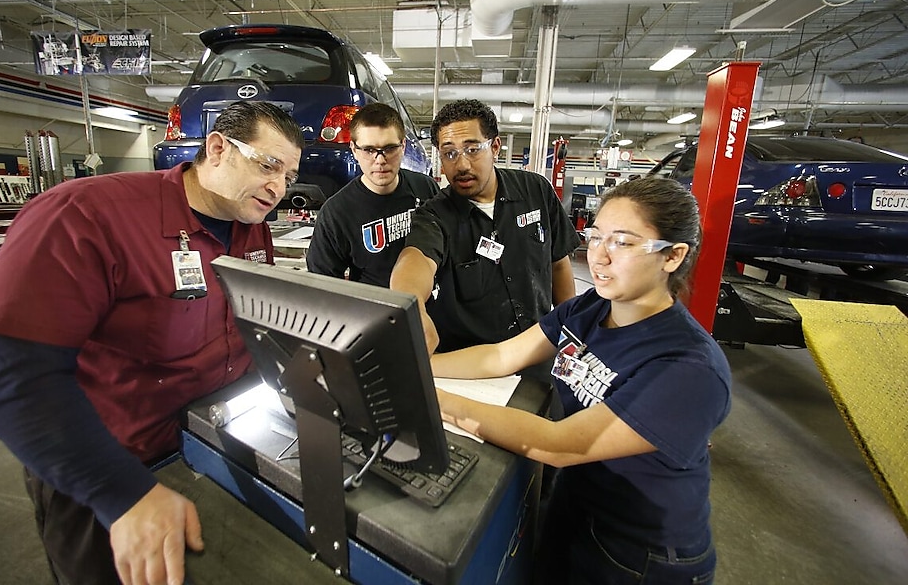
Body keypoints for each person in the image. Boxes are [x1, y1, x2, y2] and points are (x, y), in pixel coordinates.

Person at [0, 101, 304, 585]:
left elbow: (250, 336)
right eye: (268, 165)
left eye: (289, 176)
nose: (279, 187)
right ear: (216, 148)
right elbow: (5, 378)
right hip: (105, 473)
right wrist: (121, 493)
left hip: (207, 456)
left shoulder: (252, 231)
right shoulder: (86, 215)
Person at [432, 177, 732, 584]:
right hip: (573, 509)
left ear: (673, 256)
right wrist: (415, 362)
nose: (599, 257)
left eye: (622, 243)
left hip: (638, 553)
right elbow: (502, 355)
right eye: (595, 237)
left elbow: (559, 445)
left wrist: (431, 399)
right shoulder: (591, 307)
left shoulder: (689, 367)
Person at [390, 98, 581, 355]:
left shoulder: (536, 191)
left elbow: (558, 263)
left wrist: (570, 331)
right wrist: (411, 305)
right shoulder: (434, 215)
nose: (462, 165)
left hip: (538, 349)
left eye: (472, 149)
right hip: (471, 364)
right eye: (449, 153)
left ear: (495, 147)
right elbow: (416, 260)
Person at [306, 102, 439, 286]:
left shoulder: (426, 188)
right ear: (354, 149)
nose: (380, 160)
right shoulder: (336, 213)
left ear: (403, 146)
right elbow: (322, 284)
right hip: (375, 310)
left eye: (389, 148)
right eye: (369, 150)